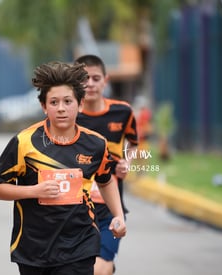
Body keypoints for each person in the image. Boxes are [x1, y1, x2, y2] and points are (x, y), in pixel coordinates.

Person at [0, 61, 127, 275]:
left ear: (80, 105)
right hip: (34, 247)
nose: (61, 108)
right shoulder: (24, 142)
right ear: (44, 107)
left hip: (79, 244)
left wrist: (117, 215)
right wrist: (34, 191)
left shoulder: (96, 144)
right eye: (54, 102)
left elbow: (106, 179)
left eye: (67, 101)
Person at [75, 54, 138, 275]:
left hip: (110, 208)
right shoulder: (67, 117)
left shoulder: (123, 112)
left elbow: (133, 143)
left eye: (95, 78)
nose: (90, 84)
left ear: (105, 80)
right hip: (75, 208)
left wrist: (127, 162)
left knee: (100, 268)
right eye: (84, 78)